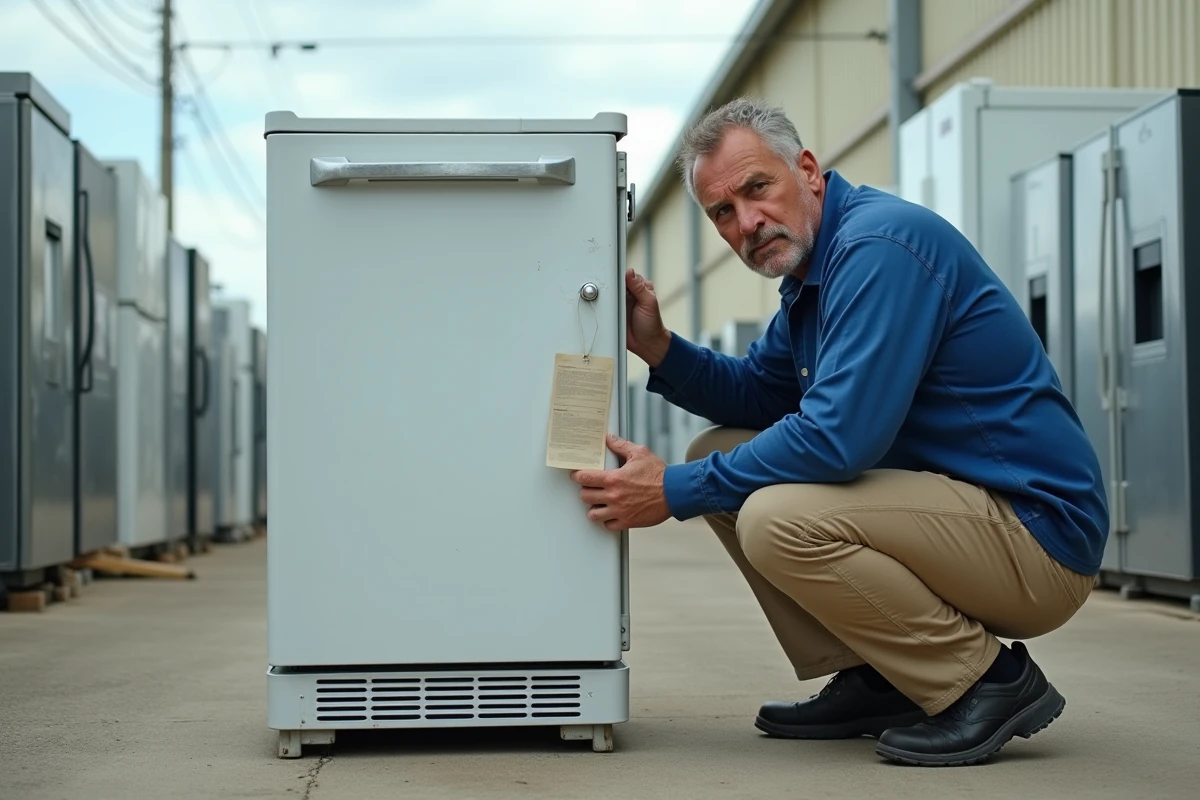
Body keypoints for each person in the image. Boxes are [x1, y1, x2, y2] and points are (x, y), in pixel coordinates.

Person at [569, 97, 1108, 767]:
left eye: (756, 188)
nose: (747, 222)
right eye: (723, 213)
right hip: (966, 514)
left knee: (773, 517)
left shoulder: (878, 248)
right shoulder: (813, 277)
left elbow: (837, 439)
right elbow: (759, 395)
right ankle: (883, 675)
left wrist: (673, 492)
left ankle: (986, 681)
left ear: (808, 170)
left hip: (1037, 534)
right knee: (719, 452)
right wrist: (658, 347)